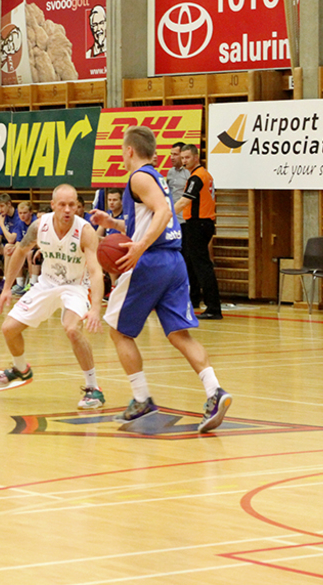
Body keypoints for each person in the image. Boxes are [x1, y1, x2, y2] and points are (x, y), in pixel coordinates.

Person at [94, 125, 231, 433]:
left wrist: (140, 247)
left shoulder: (139, 177)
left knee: (119, 332)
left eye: (122, 149)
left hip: (151, 262)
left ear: (129, 150)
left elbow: (163, 214)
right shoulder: (156, 178)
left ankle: (142, 399)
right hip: (173, 262)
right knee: (180, 335)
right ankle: (215, 391)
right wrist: (112, 222)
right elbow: (148, 219)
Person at [0, 184, 106, 410]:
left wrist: (95, 308)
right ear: (53, 205)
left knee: (72, 329)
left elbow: (95, 271)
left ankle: (93, 388)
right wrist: (6, 287)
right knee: (9, 329)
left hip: (76, 286)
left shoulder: (85, 231)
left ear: (78, 206)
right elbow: (20, 252)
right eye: (62, 204)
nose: (67, 209)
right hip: (47, 283)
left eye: (72, 205)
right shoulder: (39, 226)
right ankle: (21, 369)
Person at [174, 144, 223, 320]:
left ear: (196, 158)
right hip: (201, 224)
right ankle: (196, 300)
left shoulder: (197, 177)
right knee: (194, 263)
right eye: (182, 157)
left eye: (187, 157)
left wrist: (166, 215)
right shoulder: (204, 175)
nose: (184, 161)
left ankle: (213, 307)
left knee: (202, 266)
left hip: (198, 224)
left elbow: (184, 201)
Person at [10, 200, 37, 295]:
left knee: (29, 254)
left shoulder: (35, 223)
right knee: (14, 251)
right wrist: (16, 248)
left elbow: (36, 242)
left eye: (25, 213)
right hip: (27, 247)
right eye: (20, 213)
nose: (22, 215)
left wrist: (23, 248)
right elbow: (18, 241)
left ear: (31, 212)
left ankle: (32, 283)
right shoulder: (20, 223)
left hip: (36, 247)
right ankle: (19, 283)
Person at [166, 141, 190, 227]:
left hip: (185, 219)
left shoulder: (189, 172)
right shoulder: (170, 172)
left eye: (175, 154)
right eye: (171, 154)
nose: (172, 157)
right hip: (171, 218)